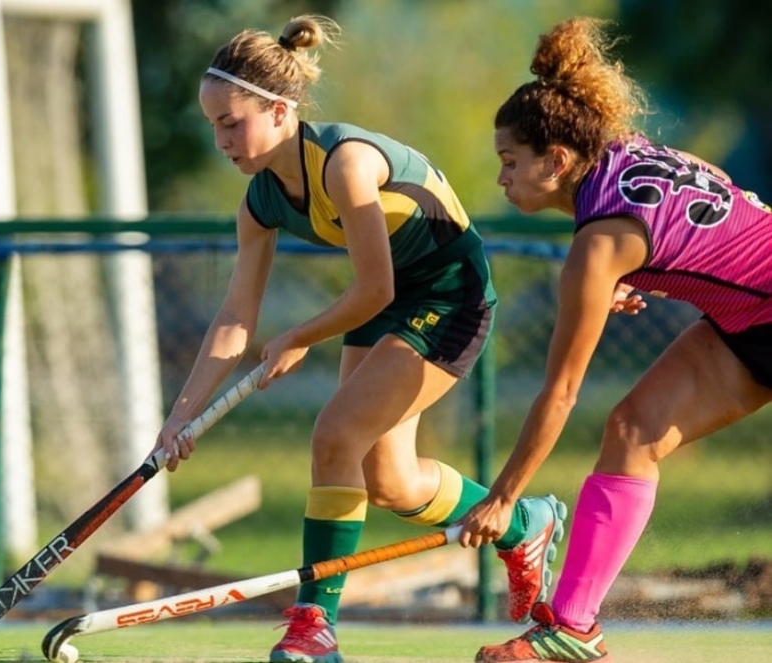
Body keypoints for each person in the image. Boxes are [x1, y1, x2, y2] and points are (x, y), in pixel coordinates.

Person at [150, 14, 568, 663]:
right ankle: (524, 523)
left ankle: (314, 624)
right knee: (391, 481)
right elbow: (234, 318)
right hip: (388, 297)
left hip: (447, 294)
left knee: (334, 432)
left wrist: (298, 336)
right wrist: (180, 419)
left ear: (280, 111)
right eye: (213, 125)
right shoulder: (260, 202)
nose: (221, 140)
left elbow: (371, 289)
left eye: (231, 122)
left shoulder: (344, 164)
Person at [460, 16, 772, 663]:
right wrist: (642, 273)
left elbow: (560, 391)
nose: (502, 179)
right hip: (747, 322)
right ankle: (572, 627)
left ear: (557, 160)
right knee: (632, 429)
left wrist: (503, 497)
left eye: (510, 162)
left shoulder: (597, 244)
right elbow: (701, 226)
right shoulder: (624, 153)